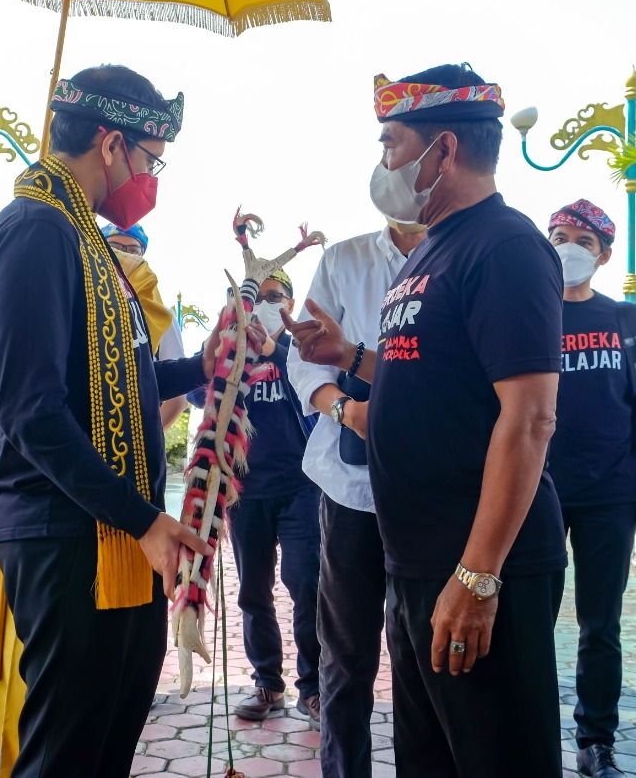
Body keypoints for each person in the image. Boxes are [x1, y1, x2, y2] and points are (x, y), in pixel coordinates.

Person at [287, 62, 567, 776]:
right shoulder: (434, 249)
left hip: (474, 563)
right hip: (416, 558)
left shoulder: (503, 246)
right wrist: (348, 355)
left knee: (495, 759)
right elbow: (430, 373)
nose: (383, 162)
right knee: (429, 760)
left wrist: (478, 576)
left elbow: (530, 418)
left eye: (392, 144)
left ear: (443, 150)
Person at [0, 64, 225, 777]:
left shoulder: (85, 239)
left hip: (106, 532)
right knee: (66, 755)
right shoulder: (37, 232)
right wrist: (144, 522)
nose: (150, 181)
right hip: (66, 538)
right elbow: (33, 414)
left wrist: (202, 364)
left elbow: (118, 383)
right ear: (111, 144)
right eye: (150, 160)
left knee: (103, 748)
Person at [0, 228, 184, 776]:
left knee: (103, 728)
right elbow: (17, 405)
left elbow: (133, 380)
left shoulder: (120, 278)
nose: (127, 249)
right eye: (119, 242)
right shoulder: (35, 239)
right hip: (56, 530)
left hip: (119, 529)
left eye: (135, 245)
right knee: (47, 724)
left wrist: (205, 365)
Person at [546, 200, 636, 778]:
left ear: (603, 255)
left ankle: (595, 740)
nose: (568, 248)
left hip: (610, 492)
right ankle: (528, 735)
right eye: (559, 236)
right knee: (529, 619)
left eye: (583, 241)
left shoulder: (626, 322)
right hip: (536, 491)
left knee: (600, 624)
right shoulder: (526, 315)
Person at [287, 216, 425, 777]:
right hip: (349, 489)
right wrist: (345, 410)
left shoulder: (459, 254)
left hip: (432, 491)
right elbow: (304, 356)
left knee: (420, 654)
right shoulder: (344, 260)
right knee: (345, 655)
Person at [212, 269, 323, 726]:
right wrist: (229, 348)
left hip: (301, 486)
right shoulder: (229, 349)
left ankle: (313, 689)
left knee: (307, 583)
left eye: (275, 296)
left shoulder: (302, 348)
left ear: (290, 304)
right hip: (246, 490)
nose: (263, 304)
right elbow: (202, 395)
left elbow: (319, 387)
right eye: (254, 296)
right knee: (253, 590)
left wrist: (273, 349)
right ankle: (267, 684)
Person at [100, 222, 188, 427]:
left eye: (133, 250)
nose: (124, 255)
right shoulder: (79, 299)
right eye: (114, 247)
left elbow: (178, 398)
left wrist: (146, 438)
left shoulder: (160, 314)